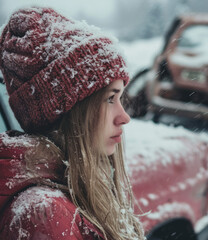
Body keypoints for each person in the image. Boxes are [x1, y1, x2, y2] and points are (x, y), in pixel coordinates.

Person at [0, 7, 145, 240]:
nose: (124, 117)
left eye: (120, 98)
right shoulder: (44, 215)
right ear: (68, 111)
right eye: (110, 98)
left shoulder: (72, 189)